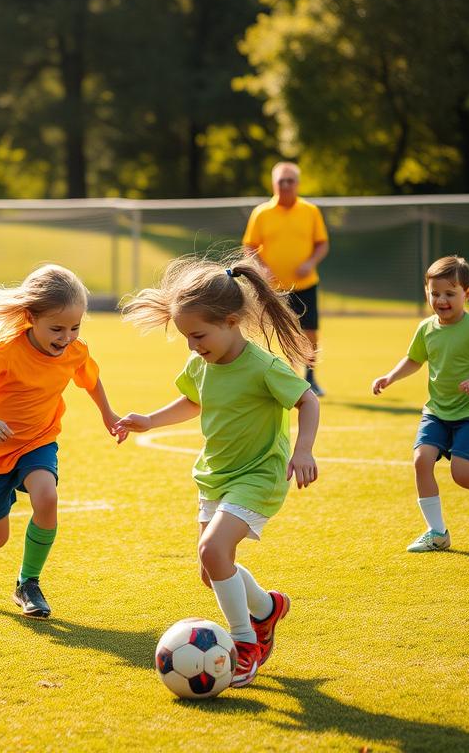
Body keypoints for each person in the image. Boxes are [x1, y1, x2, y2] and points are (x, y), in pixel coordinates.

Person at [116, 251, 321, 689]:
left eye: (198, 335)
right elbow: (193, 400)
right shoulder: (202, 363)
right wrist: (150, 420)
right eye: (187, 337)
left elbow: (307, 399)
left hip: (259, 474)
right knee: (210, 571)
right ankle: (267, 610)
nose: (193, 345)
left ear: (231, 321)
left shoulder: (263, 367)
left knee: (213, 550)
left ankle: (245, 643)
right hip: (216, 475)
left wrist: (303, 450)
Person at [0, 264, 126, 619]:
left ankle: (28, 583)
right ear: (30, 318)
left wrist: (108, 414)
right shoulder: (6, 352)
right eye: (56, 328)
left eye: (75, 327)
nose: (66, 337)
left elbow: (91, 381)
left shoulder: (75, 351)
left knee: (47, 496)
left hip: (38, 441)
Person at [371, 255, 469, 553]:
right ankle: (437, 533)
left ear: (468, 294)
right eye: (435, 294)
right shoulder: (426, 328)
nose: (442, 300)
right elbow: (414, 359)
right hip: (436, 410)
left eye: (450, 293)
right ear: (427, 293)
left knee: (461, 474)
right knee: (421, 461)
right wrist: (391, 377)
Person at [242, 161, 330, 396]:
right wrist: (262, 269)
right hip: (274, 288)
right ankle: (284, 378)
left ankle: (311, 377)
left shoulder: (310, 211)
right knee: (279, 332)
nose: (286, 185)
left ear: (298, 184)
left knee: (309, 331)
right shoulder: (261, 213)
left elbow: (322, 244)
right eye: (282, 180)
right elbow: (249, 246)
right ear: (274, 184)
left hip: (305, 284)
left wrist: (310, 263)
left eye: (291, 180)